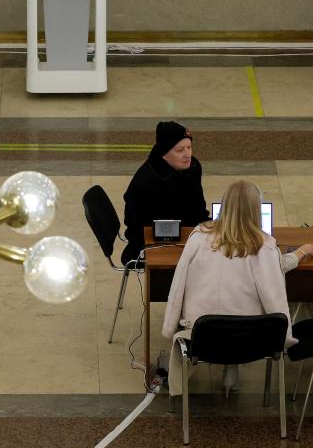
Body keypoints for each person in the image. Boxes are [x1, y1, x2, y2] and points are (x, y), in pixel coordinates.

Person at [161, 181, 296, 397]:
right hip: (250, 338)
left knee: (220, 317)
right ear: (256, 210)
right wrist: (286, 335)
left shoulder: (197, 238)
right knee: (241, 313)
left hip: (202, 336)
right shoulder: (265, 247)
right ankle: (231, 372)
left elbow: (177, 287)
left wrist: (169, 328)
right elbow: (275, 300)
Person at [121, 121, 209, 265]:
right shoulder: (145, 181)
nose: (188, 154)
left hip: (188, 236)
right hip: (152, 242)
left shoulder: (193, 167)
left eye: (189, 147)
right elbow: (135, 227)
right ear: (164, 154)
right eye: (180, 150)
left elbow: (199, 208)